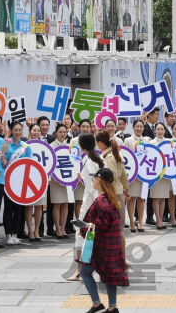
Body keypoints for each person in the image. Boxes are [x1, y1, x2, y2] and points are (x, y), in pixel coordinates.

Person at [78, 168, 129, 312]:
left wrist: (84, 224)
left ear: (99, 181)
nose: (93, 180)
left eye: (94, 178)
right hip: (109, 242)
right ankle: (112, 307)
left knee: (85, 272)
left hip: (97, 244)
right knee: (109, 274)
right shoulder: (110, 198)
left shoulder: (102, 201)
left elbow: (101, 224)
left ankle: (97, 304)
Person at [68, 133, 105, 282]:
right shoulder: (100, 159)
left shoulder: (90, 162)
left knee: (81, 235)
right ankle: (96, 270)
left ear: (82, 146)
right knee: (94, 237)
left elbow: (92, 188)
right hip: (99, 202)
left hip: (92, 205)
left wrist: (98, 206)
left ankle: (79, 271)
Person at [96, 129, 130, 264]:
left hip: (112, 195)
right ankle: (121, 259)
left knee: (114, 229)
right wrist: (126, 189)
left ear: (99, 142)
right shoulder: (115, 154)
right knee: (118, 228)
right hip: (118, 193)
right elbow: (124, 175)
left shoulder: (108, 157)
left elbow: (112, 177)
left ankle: (117, 260)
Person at [4, 121, 32, 245]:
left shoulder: (25, 147)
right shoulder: (6, 145)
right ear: (10, 130)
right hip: (7, 181)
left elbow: (30, 164)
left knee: (18, 209)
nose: (17, 132)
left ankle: (15, 234)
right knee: (8, 208)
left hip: (21, 182)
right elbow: (2, 163)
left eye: (20, 130)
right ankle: (8, 235)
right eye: (15, 130)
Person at [124, 120, 149, 232]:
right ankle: (132, 222)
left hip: (144, 173)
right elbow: (125, 156)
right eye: (137, 126)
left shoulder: (147, 140)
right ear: (133, 127)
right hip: (133, 174)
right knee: (131, 198)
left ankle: (140, 222)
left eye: (141, 127)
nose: (139, 128)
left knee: (141, 198)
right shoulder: (128, 140)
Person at [50, 124, 71, 239]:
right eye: (60, 132)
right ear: (56, 133)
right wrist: (57, 177)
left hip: (67, 179)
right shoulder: (51, 146)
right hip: (56, 179)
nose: (63, 134)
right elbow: (51, 164)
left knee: (65, 204)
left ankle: (63, 228)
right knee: (57, 204)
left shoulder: (69, 146)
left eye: (65, 132)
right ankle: (57, 228)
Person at [149, 123, 171, 230]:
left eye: (162, 129)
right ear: (155, 131)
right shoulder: (151, 142)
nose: (160, 131)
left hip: (166, 173)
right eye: (158, 129)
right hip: (155, 173)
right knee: (156, 197)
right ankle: (157, 219)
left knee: (163, 198)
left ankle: (161, 219)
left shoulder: (168, 142)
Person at [69, 120, 93, 220]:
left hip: (91, 174)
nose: (85, 129)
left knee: (90, 199)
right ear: (79, 128)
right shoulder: (74, 141)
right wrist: (77, 175)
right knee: (79, 200)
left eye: (87, 126)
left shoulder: (93, 140)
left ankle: (89, 222)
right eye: (83, 126)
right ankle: (80, 223)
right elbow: (72, 158)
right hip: (78, 174)